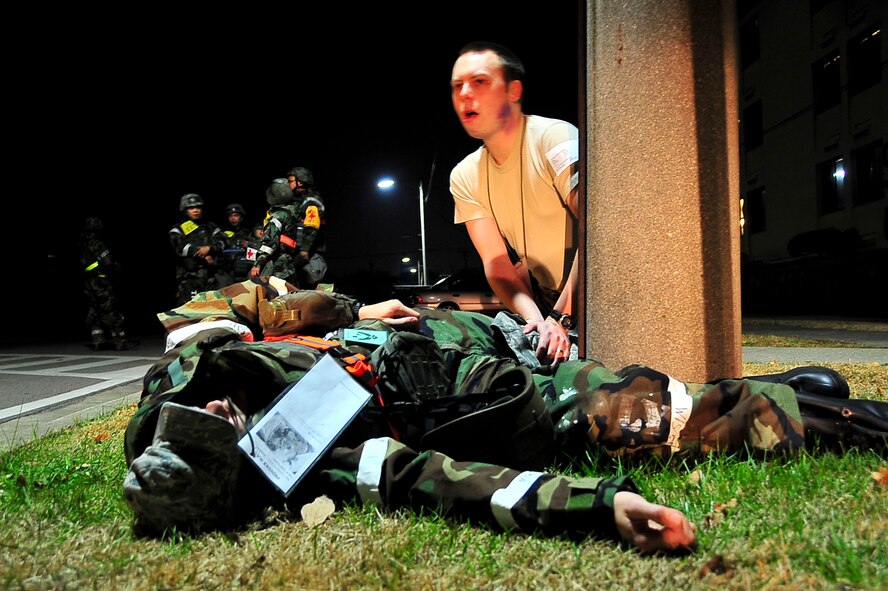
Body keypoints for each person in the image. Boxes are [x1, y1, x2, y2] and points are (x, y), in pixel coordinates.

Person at [123, 279, 886, 549]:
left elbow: (236, 302)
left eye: (208, 412)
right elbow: (440, 478)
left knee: (623, 384)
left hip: (459, 334)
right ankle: (813, 409)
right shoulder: (287, 456)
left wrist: (351, 309)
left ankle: (771, 390)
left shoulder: (197, 362)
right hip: (492, 401)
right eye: (222, 430)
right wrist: (599, 504)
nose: (224, 410)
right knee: (640, 413)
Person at [449, 41, 579, 366]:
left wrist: (561, 318)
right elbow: (496, 262)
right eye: (457, 86)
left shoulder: (555, 138)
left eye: (479, 82)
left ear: (513, 90)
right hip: (548, 297)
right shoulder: (464, 175)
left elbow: (602, 231)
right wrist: (536, 318)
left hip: (599, 284)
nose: (465, 93)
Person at [78, 217, 139, 351]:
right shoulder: (97, 243)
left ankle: (98, 339)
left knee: (94, 309)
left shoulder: (82, 243)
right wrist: (115, 268)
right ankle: (119, 339)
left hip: (88, 282)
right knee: (109, 308)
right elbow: (107, 262)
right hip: (101, 281)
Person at [168, 193, 228, 305]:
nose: (195, 210)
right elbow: (180, 247)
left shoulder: (211, 227)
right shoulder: (177, 229)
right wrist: (202, 253)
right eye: (191, 208)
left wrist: (210, 248)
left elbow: (223, 241)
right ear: (184, 210)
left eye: (198, 207)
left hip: (211, 278)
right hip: (189, 279)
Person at [250, 179, 303, 286]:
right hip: (289, 263)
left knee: (273, 296)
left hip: (277, 264)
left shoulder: (278, 216)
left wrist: (258, 264)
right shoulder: (293, 213)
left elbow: (269, 242)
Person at [286, 166, 328, 289]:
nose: (288, 184)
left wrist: (304, 251)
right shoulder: (298, 201)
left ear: (300, 182)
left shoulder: (311, 201)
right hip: (301, 254)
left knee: (310, 289)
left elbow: (311, 225)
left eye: (290, 181)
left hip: (310, 255)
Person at [219, 203, 254, 285]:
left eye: (236, 215)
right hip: (227, 274)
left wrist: (250, 244)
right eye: (230, 216)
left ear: (241, 217)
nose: (233, 218)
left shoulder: (248, 234)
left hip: (244, 273)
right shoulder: (222, 234)